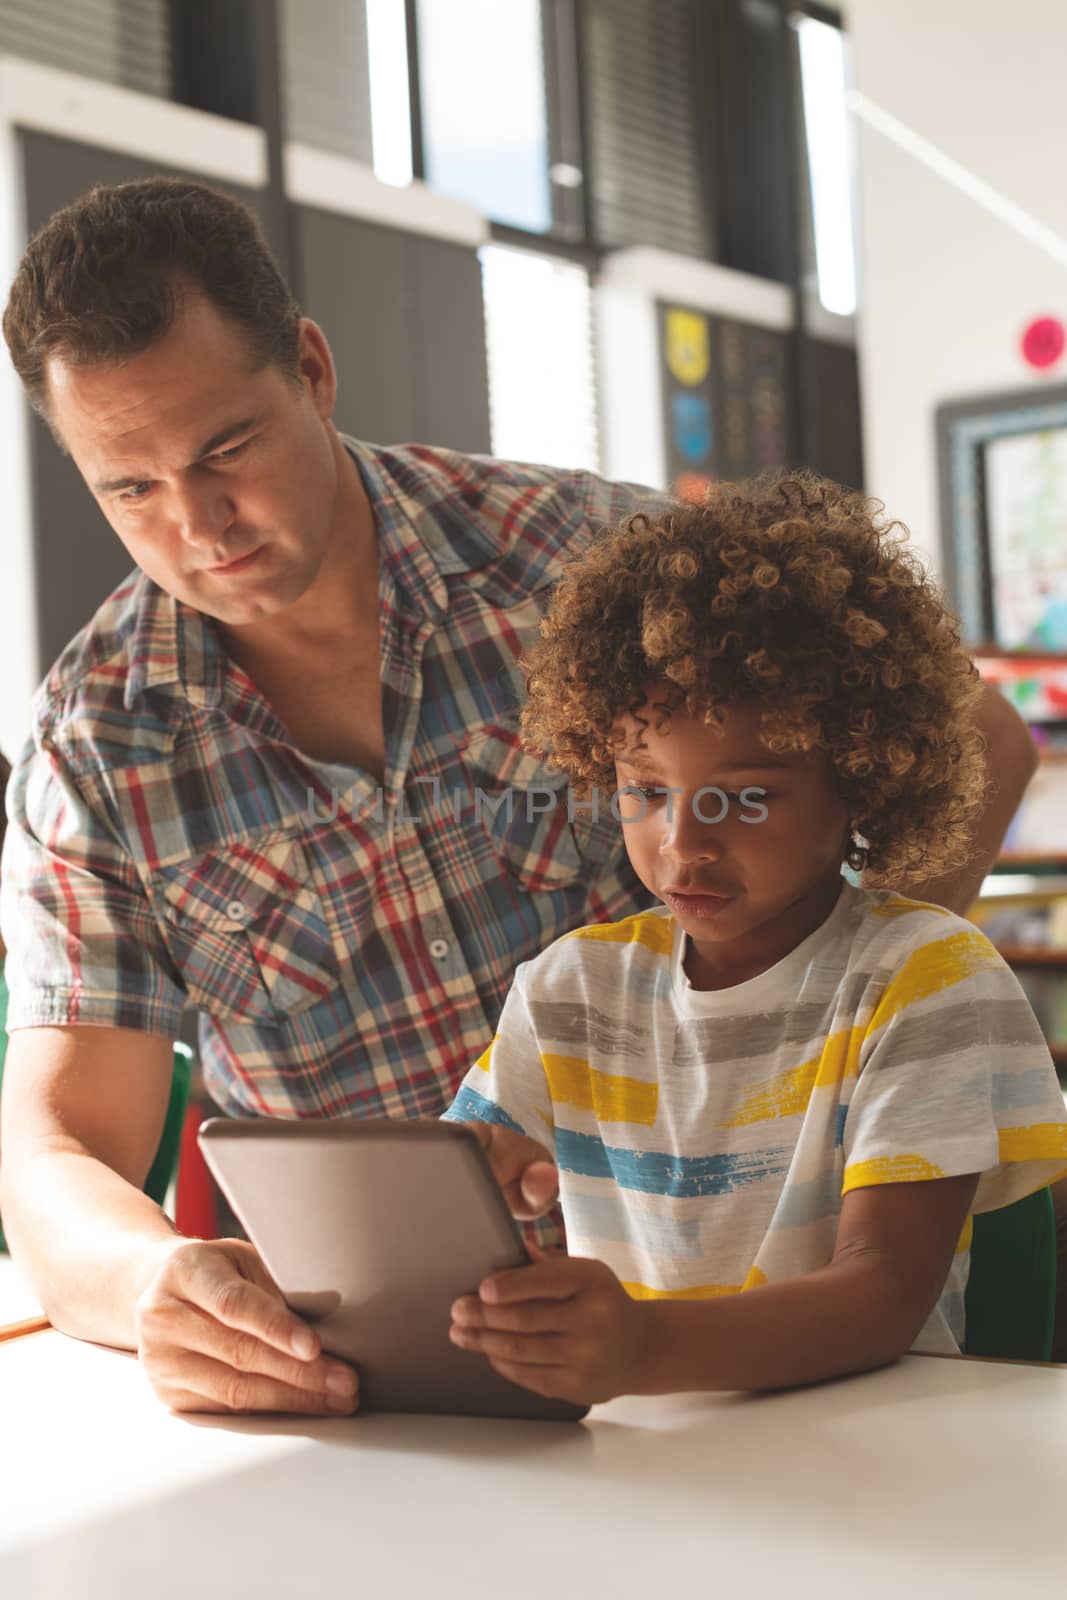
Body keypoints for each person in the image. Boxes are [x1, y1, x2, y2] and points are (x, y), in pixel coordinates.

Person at [0, 177, 1040, 1417]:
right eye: (130, 488)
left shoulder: (575, 559)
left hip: (752, 1362)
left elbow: (977, 736)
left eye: (227, 449)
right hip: (399, 1389)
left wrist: (823, 1036)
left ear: (314, 371)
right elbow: (56, 1153)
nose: (198, 523)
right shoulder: (95, 742)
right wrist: (154, 1280)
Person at [442, 474, 1067, 1402]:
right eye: (646, 790)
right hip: (645, 1473)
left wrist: (644, 1347)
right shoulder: (570, 992)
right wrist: (474, 1196)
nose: (684, 842)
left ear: (861, 778)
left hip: (871, 1474)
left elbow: (881, 1294)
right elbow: (457, 1190)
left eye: (748, 796)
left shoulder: (925, 981)